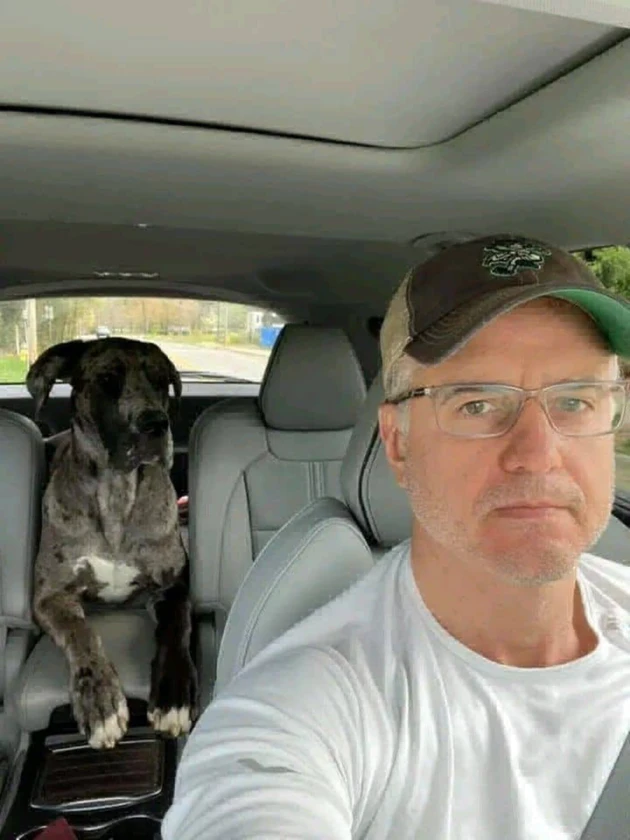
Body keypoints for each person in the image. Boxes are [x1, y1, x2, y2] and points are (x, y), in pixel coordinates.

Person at [162, 235, 630, 839]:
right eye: (477, 404)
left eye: (575, 400)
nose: (540, 454)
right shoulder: (306, 703)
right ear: (398, 443)